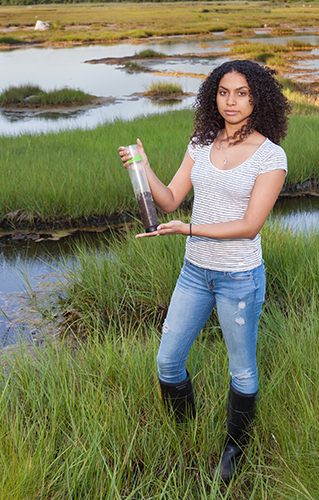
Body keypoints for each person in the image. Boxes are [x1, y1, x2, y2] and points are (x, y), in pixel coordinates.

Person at [118, 59, 291, 483]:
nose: (231, 101)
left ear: (258, 98)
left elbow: (250, 226)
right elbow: (171, 200)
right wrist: (141, 167)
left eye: (242, 93)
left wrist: (189, 230)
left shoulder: (271, 156)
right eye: (223, 92)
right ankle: (185, 432)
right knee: (168, 361)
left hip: (239, 278)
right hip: (195, 271)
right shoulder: (201, 142)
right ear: (213, 95)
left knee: (242, 369)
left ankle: (233, 452)